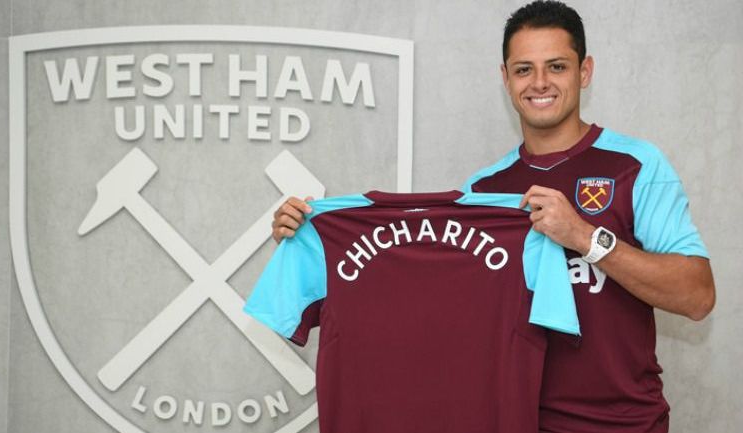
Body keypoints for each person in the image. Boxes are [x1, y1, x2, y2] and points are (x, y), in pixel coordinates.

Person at [270, 1, 715, 432]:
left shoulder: (635, 165)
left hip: (621, 423)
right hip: (506, 420)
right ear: (505, 78)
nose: (540, 82)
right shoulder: (482, 193)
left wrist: (585, 236)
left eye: (557, 66)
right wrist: (309, 237)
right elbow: (422, 296)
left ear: (585, 72)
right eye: (524, 69)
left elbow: (697, 297)